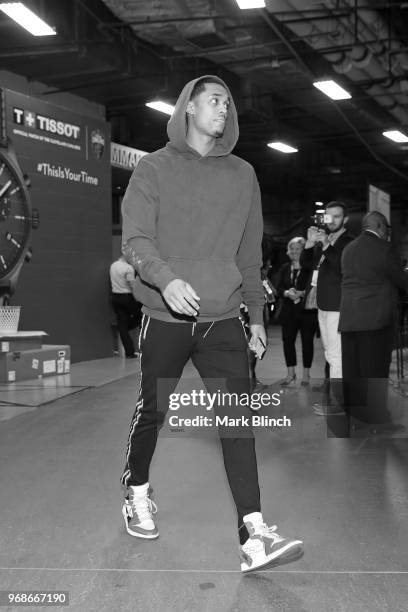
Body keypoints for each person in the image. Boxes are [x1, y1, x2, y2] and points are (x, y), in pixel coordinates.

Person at [119, 75, 303, 572]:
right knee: (152, 411)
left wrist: (258, 319)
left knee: (237, 422)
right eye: (214, 101)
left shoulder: (243, 174)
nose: (224, 109)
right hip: (166, 315)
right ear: (189, 109)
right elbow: (134, 240)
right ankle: (136, 489)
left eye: (227, 102)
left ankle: (253, 532)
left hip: (223, 319)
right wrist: (166, 280)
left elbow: (248, 255)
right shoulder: (153, 169)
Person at [339, 211, 408, 433]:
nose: (387, 234)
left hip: (349, 319)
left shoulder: (348, 249)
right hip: (376, 321)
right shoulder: (384, 249)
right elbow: (400, 280)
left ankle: (353, 419)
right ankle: (377, 423)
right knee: (375, 371)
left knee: (354, 371)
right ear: (379, 227)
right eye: (386, 229)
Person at [300, 201, 353, 414]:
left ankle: (339, 404)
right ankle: (336, 400)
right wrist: (309, 244)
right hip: (323, 305)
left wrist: (327, 245)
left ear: (345, 219)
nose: (331, 221)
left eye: (337, 216)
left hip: (338, 307)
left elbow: (343, 267)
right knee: (330, 355)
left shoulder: (349, 242)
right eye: (328, 217)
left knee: (337, 356)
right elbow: (306, 265)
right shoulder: (324, 241)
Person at [275, 237, 318, 386]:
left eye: (298, 249)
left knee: (307, 342)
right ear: (288, 251)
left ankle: (306, 375)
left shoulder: (310, 269)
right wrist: (287, 293)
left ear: (304, 251)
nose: (294, 251)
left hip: (307, 312)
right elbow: (278, 288)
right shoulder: (285, 268)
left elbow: (315, 286)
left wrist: (301, 293)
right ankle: (290, 374)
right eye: (292, 248)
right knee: (288, 341)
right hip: (288, 312)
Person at [109, 255, 142, 358]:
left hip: (115, 297)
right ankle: (126, 329)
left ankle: (129, 352)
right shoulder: (128, 268)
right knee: (141, 317)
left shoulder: (113, 265)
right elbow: (132, 285)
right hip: (127, 298)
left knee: (122, 323)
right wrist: (139, 299)